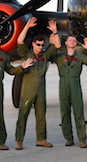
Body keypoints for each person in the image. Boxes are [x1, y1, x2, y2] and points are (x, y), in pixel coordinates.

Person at [14, 17, 58, 150]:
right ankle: (19, 140)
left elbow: (56, 46)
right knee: (23, 114)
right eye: (38, 44)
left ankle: (41, 139)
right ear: (33, 44)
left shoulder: (44, 56)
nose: (40, 47)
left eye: (42, 45)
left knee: (41, 115)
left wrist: (55, 32)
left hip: (41, 90)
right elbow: (19, 41)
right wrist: (26, 27)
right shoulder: (27, 55)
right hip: (28, 90)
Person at [49, 34, 87, 148]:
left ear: (76, 44)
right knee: (65, 113)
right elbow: (49, 55)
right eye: (70, 40)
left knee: (78, 113)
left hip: (75, 85)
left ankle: (82, 139)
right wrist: (53, 42)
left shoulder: (80, 56)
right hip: (63, 85)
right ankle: (69, 138)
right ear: (66, 43)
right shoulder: (59, 56)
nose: (72, 42)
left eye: (74, 40)